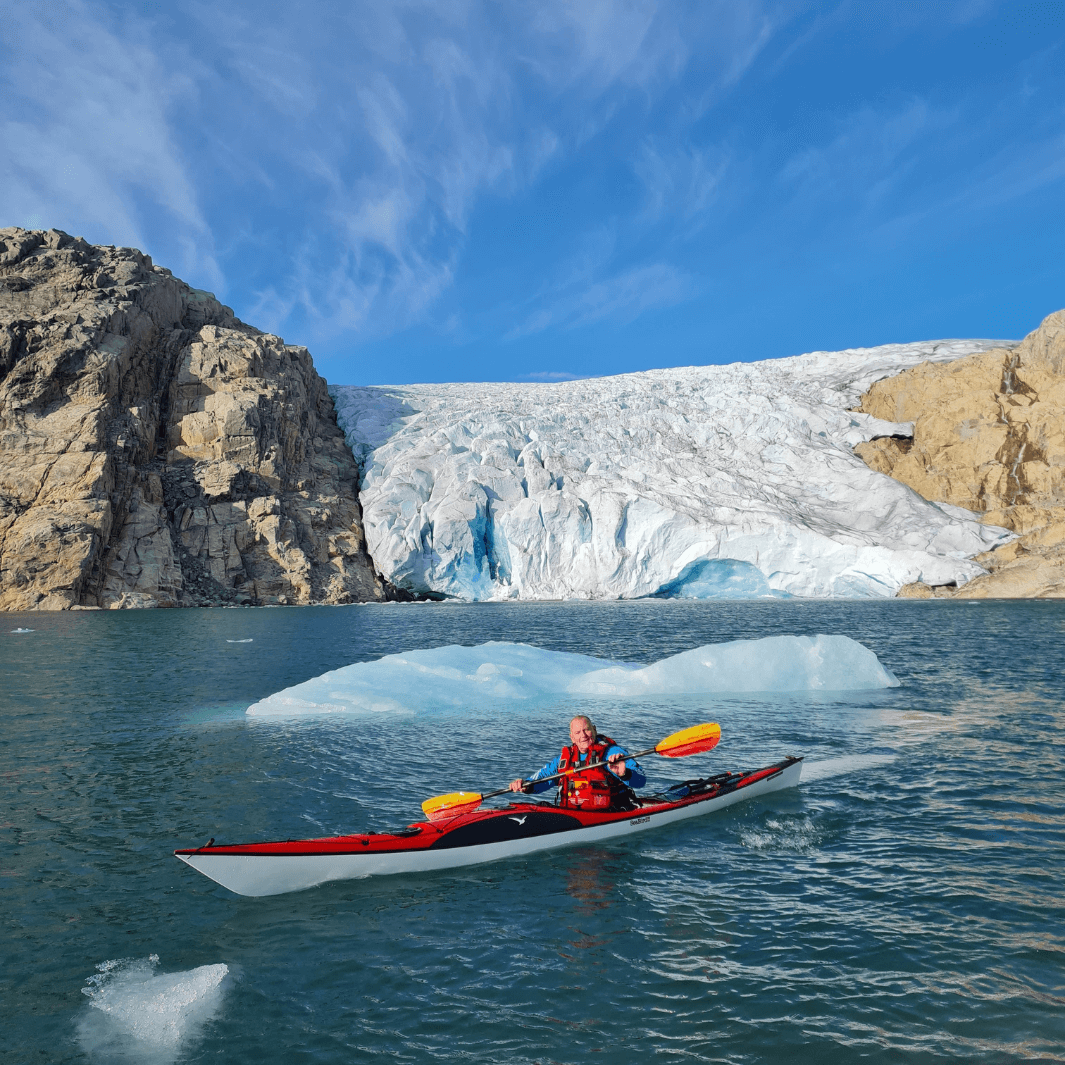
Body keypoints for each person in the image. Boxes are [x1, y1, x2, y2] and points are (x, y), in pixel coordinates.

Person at [509, 715, 646, 811]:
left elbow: (641, 781)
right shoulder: (564, 760)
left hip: (610, 813)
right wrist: (525, 785)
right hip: (574, 815)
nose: (583, 735)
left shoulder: (612, 753)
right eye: (578, 732)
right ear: (572, 737)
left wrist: (625, 774)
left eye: (586, 730)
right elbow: (542, 780)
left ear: (594, 730)